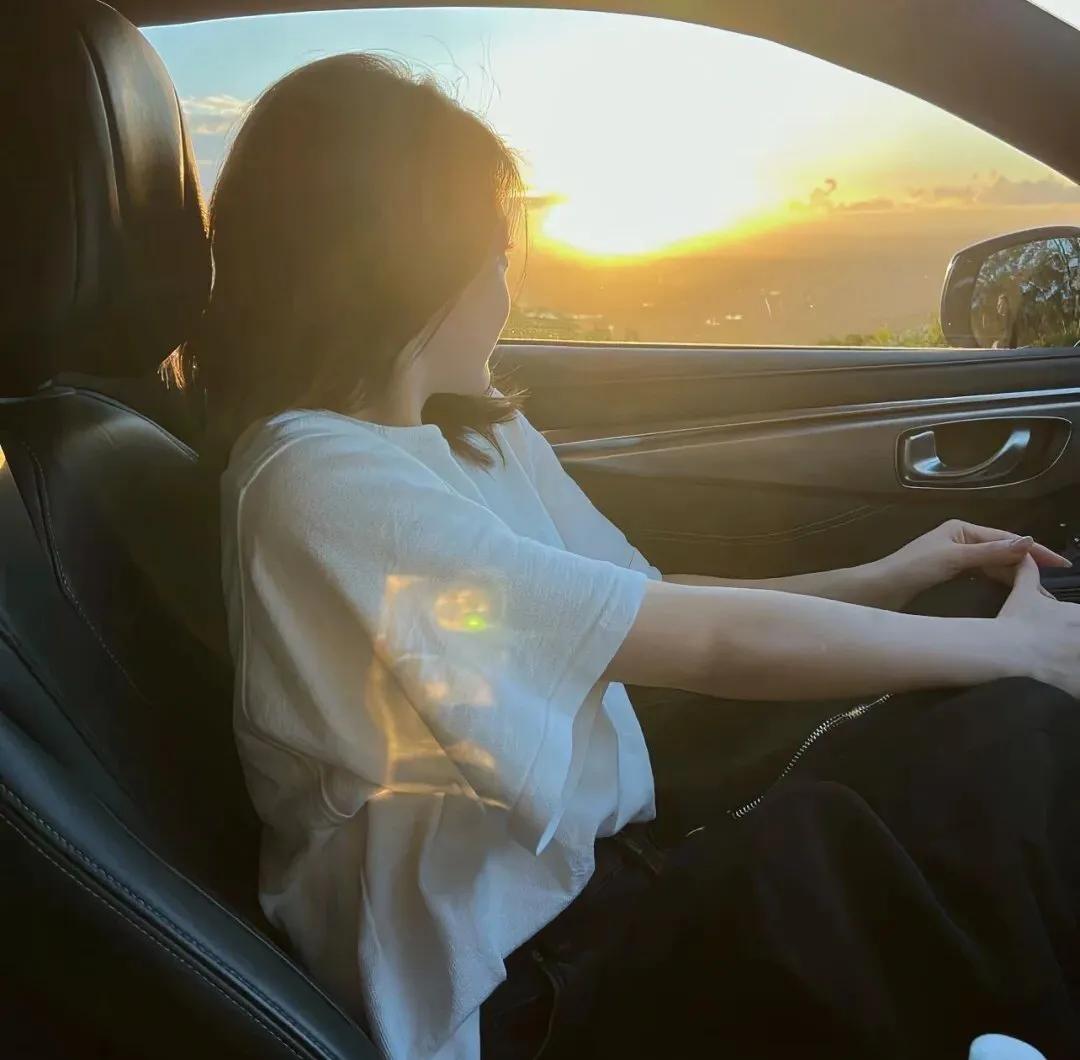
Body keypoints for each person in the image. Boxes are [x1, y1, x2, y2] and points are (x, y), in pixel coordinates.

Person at [177, 54, 1080, 1060]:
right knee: (991, 755)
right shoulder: (312, 484)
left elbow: (647, 598)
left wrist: (895, 580)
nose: (505, 283)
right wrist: (1023, 651)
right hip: (520, 997)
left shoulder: (473, 432)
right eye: (493, 252)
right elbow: (699, 643)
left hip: (611, 892)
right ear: (407, 263)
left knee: (966, 696)